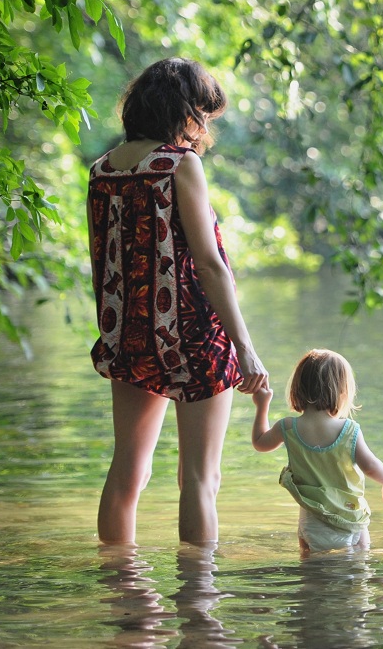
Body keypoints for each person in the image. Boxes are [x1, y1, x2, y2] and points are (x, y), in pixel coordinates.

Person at [88, 57, 269, 545]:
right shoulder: (178, 165)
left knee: (128, 470)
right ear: (182, 111)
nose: (203, 126)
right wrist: (245, 347)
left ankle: (123, 598)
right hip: (192, 332)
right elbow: (209, 265)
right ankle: (198, 609)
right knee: (199, 480)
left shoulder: (101, 170)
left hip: (130, 333)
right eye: (201, 114)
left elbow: (104, 260)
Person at [252, 349, 383, 555]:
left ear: (298, 388)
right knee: (359, 564)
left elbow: (260, 443)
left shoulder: (287, 427)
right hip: (349, 517)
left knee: (310, 567)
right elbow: (371, 465)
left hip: (311, 521)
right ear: (342, 392)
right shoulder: (349, 430)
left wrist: (262, 405)